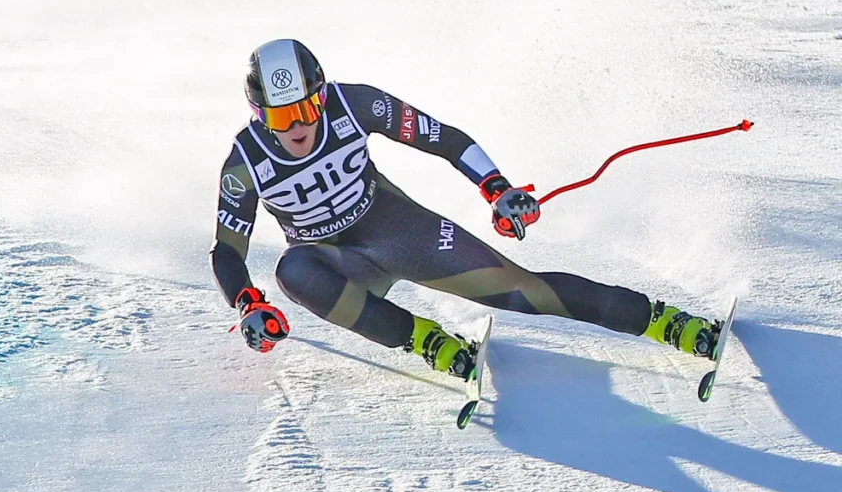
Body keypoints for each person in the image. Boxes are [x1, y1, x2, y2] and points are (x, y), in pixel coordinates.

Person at [209, 38, 719, 378]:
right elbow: (227, 252)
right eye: (282, 117)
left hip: (393, 228)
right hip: (332, 264)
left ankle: (661, 321)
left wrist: (496, 186)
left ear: (323, 96)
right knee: (290, 269)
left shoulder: (356, 103)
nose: (299, 127)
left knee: (524, 292)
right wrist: (246, 303)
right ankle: (424, 341)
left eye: (307, 108)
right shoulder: (245, 162)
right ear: (258, 116)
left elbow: (443, 138)